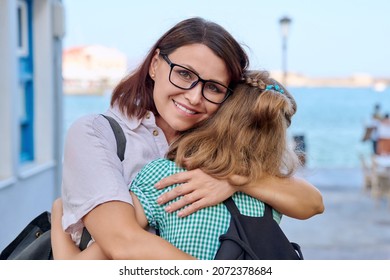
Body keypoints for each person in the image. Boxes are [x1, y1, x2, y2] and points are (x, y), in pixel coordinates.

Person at [54, 17, 323, 260]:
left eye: (213, 88)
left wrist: (234, 181)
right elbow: (122, 243)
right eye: (184, 74)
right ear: (155, 65)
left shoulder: (216, 146)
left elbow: (312, 202)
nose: (194, 97)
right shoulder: (96, 133)